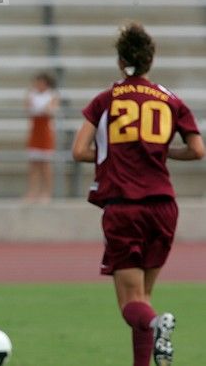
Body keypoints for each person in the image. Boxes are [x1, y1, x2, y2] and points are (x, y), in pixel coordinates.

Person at [72, 22, 204, 366]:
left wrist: (113, 153)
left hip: (124, 207)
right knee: (143, 296)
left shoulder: (105, 100)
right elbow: (197, 149)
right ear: (150, 60)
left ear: (120, 60)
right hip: (163, 206)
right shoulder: (171, 100)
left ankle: (156, 323)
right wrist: (158, 151)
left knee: (132, 304)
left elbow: (79, 150)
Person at [24, 72, 60, 202]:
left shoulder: (52, 95)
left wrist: (43, 109)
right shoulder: (32, 94)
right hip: (35, 131)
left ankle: (47, 193)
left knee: (46, 165)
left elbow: (50, 111)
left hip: (46, 132)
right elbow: (28, 108)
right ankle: (32, 192)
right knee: (34, 165)